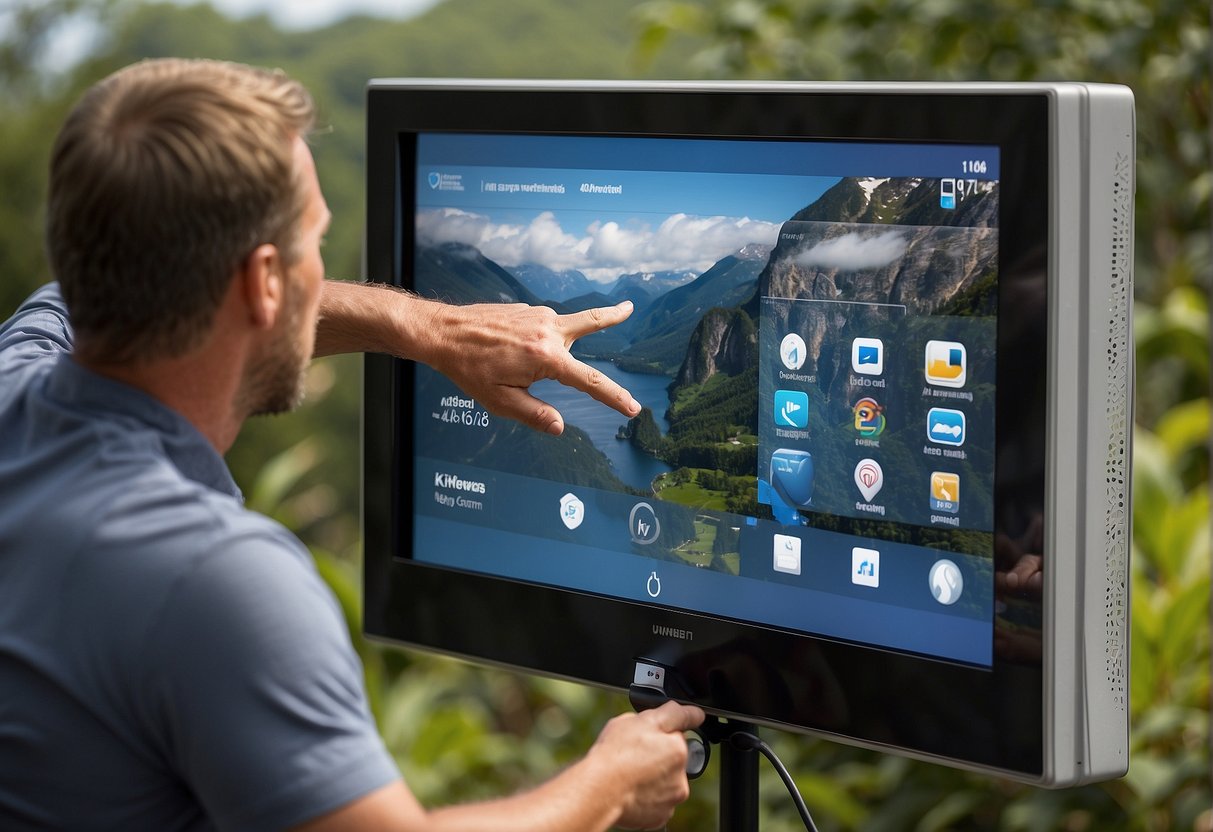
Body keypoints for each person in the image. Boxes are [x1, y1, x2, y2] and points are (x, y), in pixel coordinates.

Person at [0, 57, 703, 831]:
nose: (322, 275)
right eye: (315, 244)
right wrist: (606, 787)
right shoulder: (214, 580)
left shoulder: (16, 378)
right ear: (264, 282)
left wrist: (434, 328)